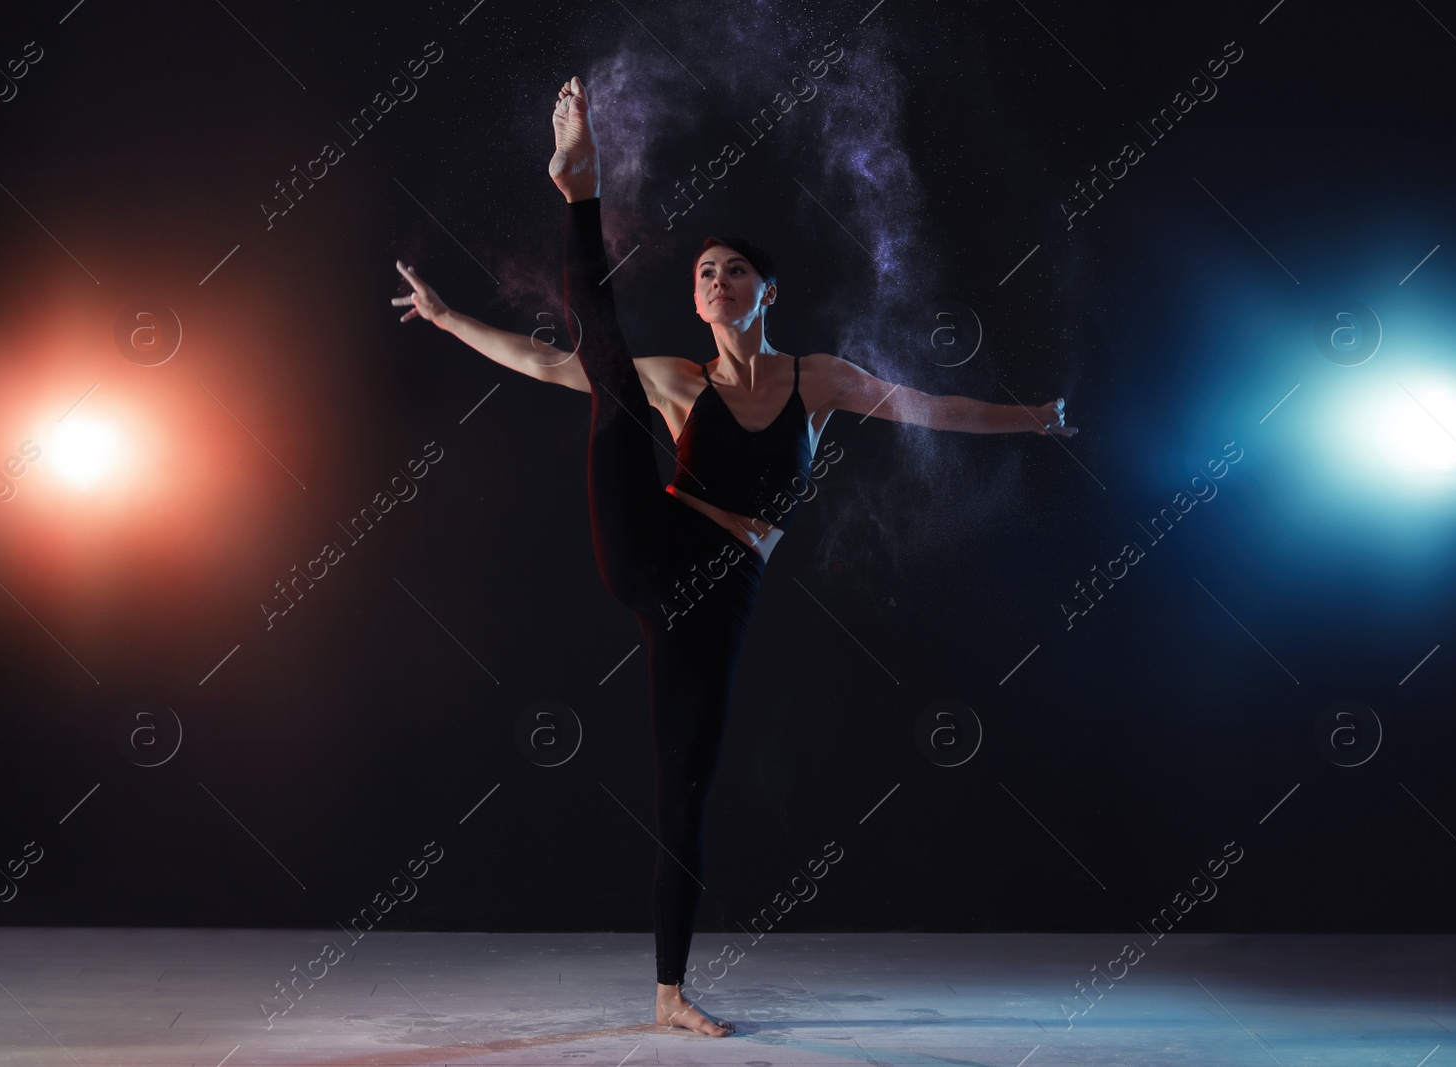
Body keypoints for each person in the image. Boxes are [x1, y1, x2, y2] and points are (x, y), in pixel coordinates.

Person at [391, 75, 1076, 1037]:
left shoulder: (822, 379)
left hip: (722, 596)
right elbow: (553, 362)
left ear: (765, 292)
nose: (714, 282)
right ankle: (576, 184)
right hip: (652, 540)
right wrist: (451, 317)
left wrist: (1033, 420)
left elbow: (935, 407)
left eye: (732, 272)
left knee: (689, 779)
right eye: (704, 273)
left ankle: (669, 990)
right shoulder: (681, 380)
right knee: (605, 371)